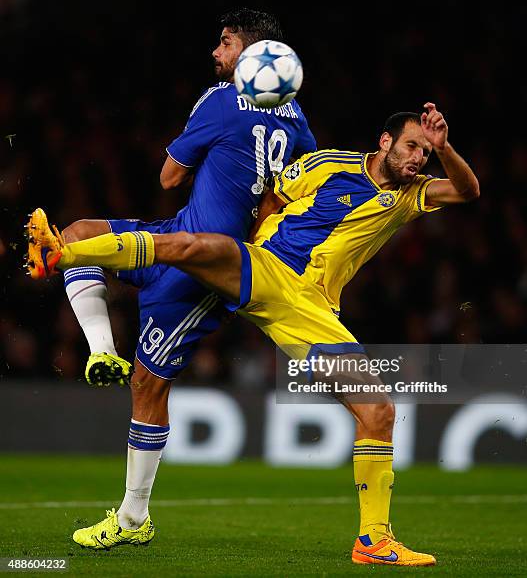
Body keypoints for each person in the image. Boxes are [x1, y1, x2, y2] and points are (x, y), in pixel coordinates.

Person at [27, 102, 479, 565]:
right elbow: (274, 198)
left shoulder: (412, 194)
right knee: (190, 246)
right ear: (385, 142)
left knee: (378, 409)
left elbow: (468, 191)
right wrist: (259, 241)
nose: (418, 158)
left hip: (310, 308)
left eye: (425, 152)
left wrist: (446, 149)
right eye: (412, 146)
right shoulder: (330, 163)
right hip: (265, 269)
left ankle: (374, 541)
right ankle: (61, 253)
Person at [31, 8, 316, 549]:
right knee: (78, 234)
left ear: (251, 54)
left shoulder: (223, 100)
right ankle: (99, 350)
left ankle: (134, 518)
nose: (216, 52)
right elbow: (289, 194)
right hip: (184, 237)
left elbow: (168, 176)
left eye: (226, 42)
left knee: (149, 383)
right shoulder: (298, 121)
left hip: (199, 269)